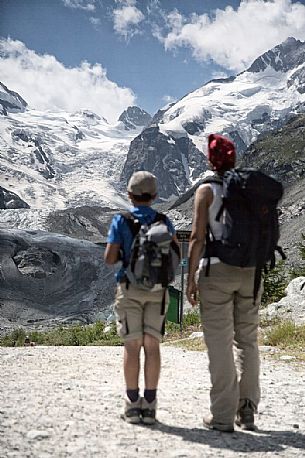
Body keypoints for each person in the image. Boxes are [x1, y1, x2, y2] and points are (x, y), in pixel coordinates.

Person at [186, 134, 261, 433]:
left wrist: (192, 276)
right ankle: (248, 409)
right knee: (247, 340)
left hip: (217, 271)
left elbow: (197, 237)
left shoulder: (206, 190)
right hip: (251, 271)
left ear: (210, 161)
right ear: (234, 159)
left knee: (219, 343)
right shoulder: (251, 190)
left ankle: (222, 415)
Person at [104, 171, 177, 425]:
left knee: (132, 346)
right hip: (158, 291)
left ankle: (132, 405)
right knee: (152, 346)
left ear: (129, 195)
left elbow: (110, 258)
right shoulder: (164, 221)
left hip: (129, 289)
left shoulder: (120, 221)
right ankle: (151, 405)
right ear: (155, 196)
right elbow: (174, 255)